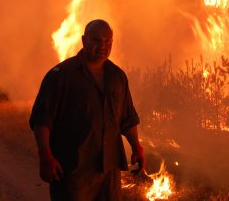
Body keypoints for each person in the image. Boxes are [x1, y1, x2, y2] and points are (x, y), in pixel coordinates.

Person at [29, 19, 146, 201]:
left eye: (108, 41)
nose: (103, 46)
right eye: (96, 40)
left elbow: (127, 118)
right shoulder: (61, 76)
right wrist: (45, 156)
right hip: (73, 173)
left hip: (109, 173)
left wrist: (137, 147)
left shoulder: (117, 76)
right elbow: (41, 121)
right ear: (84, 41)